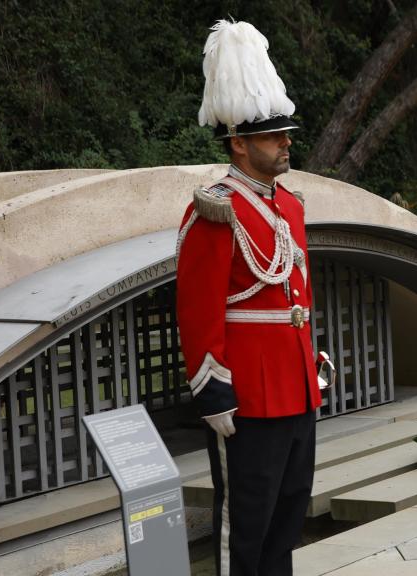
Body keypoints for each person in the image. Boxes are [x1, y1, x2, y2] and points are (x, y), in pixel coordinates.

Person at [175, 20, 321, 575]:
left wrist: (312, 367)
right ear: (239, 143)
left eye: (286, 135)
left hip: (296, 387)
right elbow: (198, 306)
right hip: (249, 395)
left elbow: (297, 296)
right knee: (247, 523)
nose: (287, 143)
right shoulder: (214, 209)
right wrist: (213, 390)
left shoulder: (293, 205)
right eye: (273, 136)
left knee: (288, 517)